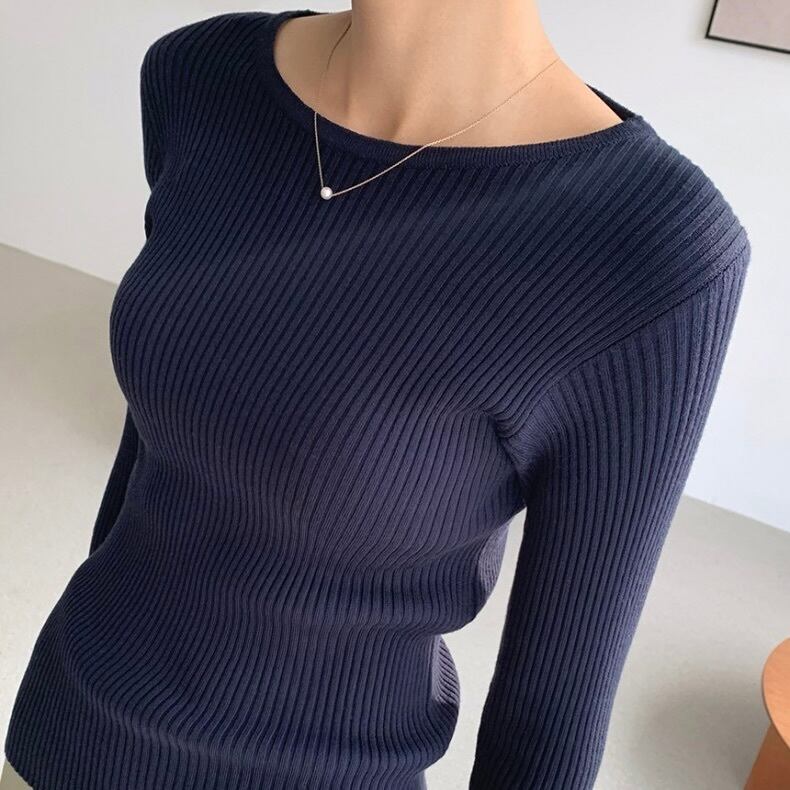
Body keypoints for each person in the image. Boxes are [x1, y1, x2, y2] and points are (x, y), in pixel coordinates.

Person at [2, 4, 751, 789]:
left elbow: (549, 720)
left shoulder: (651, 251)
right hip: (63, 727)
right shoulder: (198, 74)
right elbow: (156, 444)